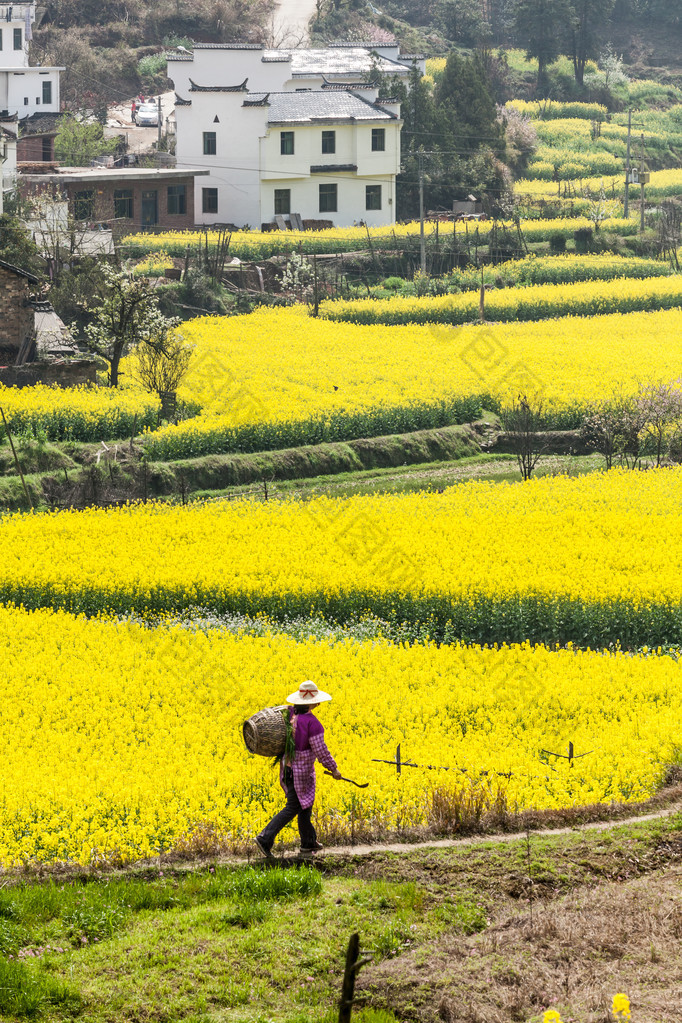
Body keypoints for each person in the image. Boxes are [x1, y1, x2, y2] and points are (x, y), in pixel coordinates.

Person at [256, 680, 341, 858]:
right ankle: (265, 838)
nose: (318, 703)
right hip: (300, 772)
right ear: (311, 702)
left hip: (286, 768)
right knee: (294, 806)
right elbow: (321, 751)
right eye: (316, 700)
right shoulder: (313, 724)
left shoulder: (290, 714)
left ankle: (308, 842)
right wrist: (333, 769)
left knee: (305, 806)